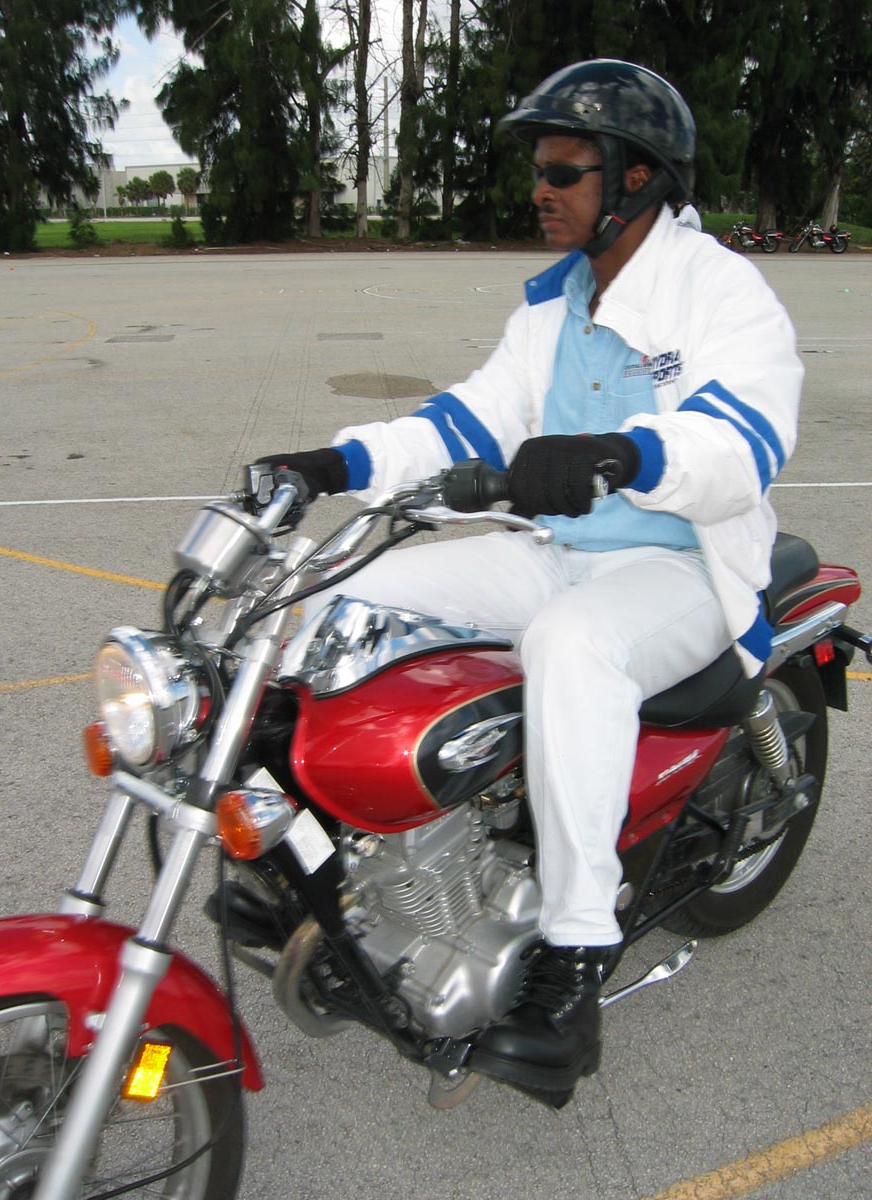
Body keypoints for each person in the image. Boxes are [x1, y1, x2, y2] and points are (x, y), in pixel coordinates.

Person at [248, 60, 802, 1102]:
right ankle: (308, 849)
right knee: (342, 592)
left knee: (574, 645)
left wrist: (624, 453)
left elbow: (744, 443)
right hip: (554, 553)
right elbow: (463, 421)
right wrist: (332, 464)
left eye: (561, 170)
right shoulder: (554, 308)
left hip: (681, 564)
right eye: (538, 169)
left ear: (635, 177)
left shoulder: (720, 291)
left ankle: (573, 961)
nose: (539, 190)